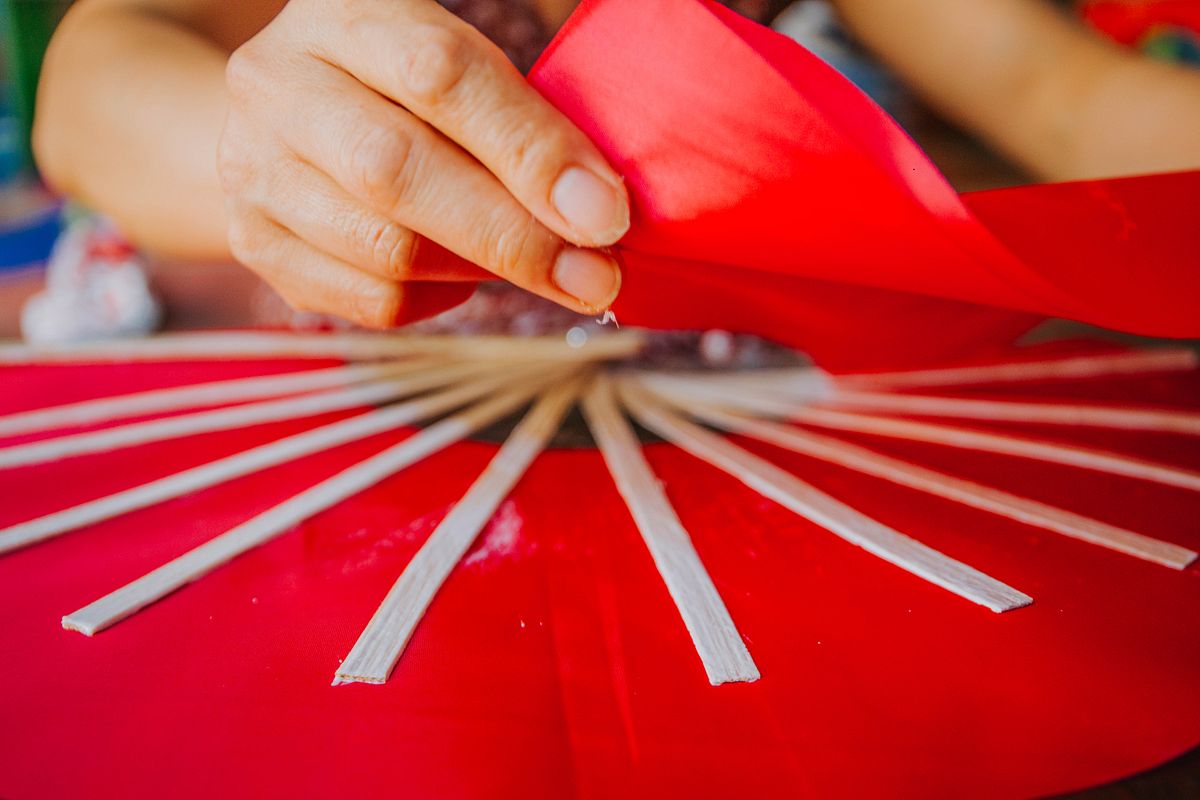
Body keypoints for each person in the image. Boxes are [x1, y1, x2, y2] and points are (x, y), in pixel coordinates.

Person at [32, 0, 1200, 330]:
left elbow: (1070, 103)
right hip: (385, 442)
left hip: (755, 446)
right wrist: (253, 153)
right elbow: (91, 81)